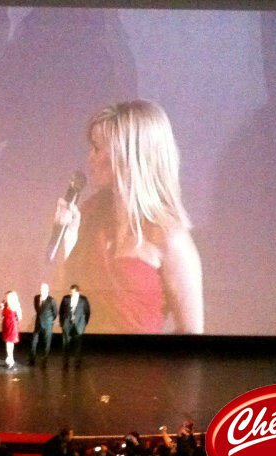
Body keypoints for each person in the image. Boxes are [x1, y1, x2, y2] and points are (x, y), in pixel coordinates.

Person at [56, 100, 203, 334]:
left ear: (127, 156)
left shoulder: (170, 238)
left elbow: (191, 333)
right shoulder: (90, 214)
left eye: (97, 148)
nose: (89, 158)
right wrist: (67, 242)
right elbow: (65, 300)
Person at [59, 285, 90, 369]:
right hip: (67, 325)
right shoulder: (66, 298)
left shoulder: (83, 300)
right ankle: (65, 363)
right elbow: (61, 311)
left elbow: (87, 312)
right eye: (70, 292)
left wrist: (83, 324)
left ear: (77, 292)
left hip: (78, 326)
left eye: (72, 292)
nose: (70, 294)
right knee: (65, 345)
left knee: (78, 345)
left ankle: (77, 363)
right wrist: (62, 323)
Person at [29, 282, 58, 367]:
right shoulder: (36, 298)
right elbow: (37, 309)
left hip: (47, 324)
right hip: (38, 323)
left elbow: (55, 313)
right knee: (34, 341)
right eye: (41, 289)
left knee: (47, 342)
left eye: (44, 289)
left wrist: (49, 320)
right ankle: (32, 359)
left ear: (47, 290)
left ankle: (44, 360)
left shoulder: (51, 300)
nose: (42, 291)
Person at [0, 291, 22, 369]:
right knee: (8, 343)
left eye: (8, 296)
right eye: (6, 296)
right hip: (6, 325)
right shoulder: (5, 304)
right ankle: (10, 360)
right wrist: (1, 308)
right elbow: (2, 315)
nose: (6, 298)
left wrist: (15, 320)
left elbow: (20, 317)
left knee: (9, 344)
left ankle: (10, 360)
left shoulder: (16, 305)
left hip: (12, 326)